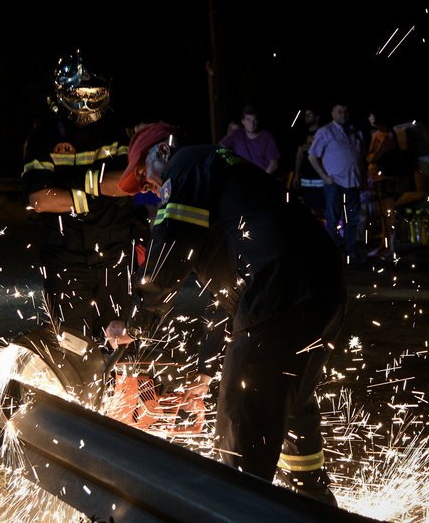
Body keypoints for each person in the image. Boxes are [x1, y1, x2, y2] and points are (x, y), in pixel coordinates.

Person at [107, 122, 347, 505]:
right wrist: (205, 371)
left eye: (144, 176)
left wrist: (135, 323)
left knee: (241, 422)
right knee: (288, 401)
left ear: (163, 152)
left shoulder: (185, 165)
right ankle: (314, 505)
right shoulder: (223, 180)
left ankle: (233, 509)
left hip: (279, 294)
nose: (150, 190)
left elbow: (168, 252)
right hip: (320, 292)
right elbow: (230, 297)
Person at [18, 50, 149, 402]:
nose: (89, 103)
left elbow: (126, 180)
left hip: (114, 250)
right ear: (64, 93)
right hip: (65, 257)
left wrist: (72, 185)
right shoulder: (43, 137)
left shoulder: (115, 131)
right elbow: (41, 199)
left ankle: (128, 407)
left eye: (95, 95)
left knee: (123, 336)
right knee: (72, 342)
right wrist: (94, 192)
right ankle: (80, 408)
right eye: (82, 95)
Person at [308, 103, 366, 262]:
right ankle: (332, 254)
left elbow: (359, 156)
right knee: (333, 218)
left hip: (352, 181)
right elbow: (312, 155)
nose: (343, 114)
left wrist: (362, 177)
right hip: (335, 182)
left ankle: (351, 251)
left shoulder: (354, 131)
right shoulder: (325, 131)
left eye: (346, 111)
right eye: (339, 111)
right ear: (332, 113)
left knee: (352, 219)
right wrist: (325, 177)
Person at [365, 110, 407, 258]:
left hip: (387, 178)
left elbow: (373, 156)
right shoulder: (376, 134)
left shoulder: (388, 136)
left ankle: (391, 247)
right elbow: (369, 155)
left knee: (388, 213)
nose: (369, 117)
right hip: (377, 178)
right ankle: (384, 245)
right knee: (382, 213)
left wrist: (371, 157)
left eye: (371, 114)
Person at [218, 104, 280, 175]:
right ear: (243, 121)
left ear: (258, 121)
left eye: (254, 120)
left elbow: (274, 163)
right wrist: (231, 162)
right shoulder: (236, 134)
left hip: (262, 179)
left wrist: (262, 178)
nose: (252, 124)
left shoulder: (266, 137)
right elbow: (219, 148)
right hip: (243, 179)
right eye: (248, 120)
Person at [292, 108, 325, 222]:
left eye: (310, 115)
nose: (306, 117)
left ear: (317, 117)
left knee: (323, 207)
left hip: (321, 176)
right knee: (309, 207)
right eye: (305, 115)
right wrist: (296, 175)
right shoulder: (303, 134)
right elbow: (299, 155)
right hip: (306, 176)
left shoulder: (323, 133)